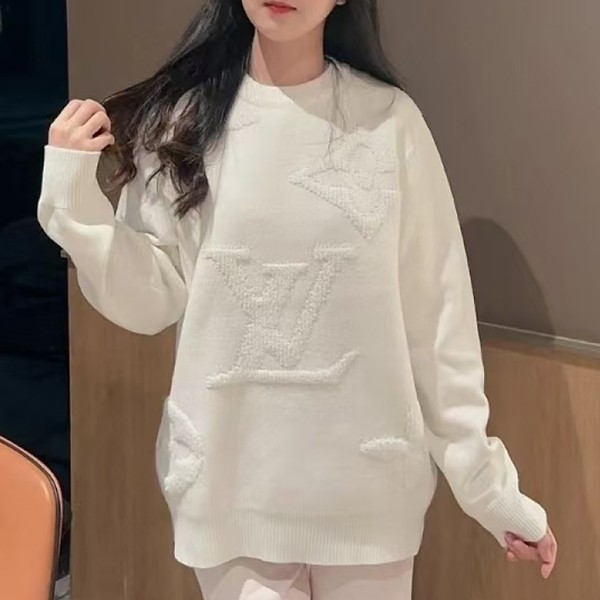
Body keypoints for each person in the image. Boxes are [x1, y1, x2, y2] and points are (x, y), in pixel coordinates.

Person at [37, 0, 558, 598]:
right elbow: (148, 301)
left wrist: (490, 492)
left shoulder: (389, 123)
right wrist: (74, 206)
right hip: (231, 488)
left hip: (367, 497)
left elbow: (438, 326)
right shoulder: (181, 124)